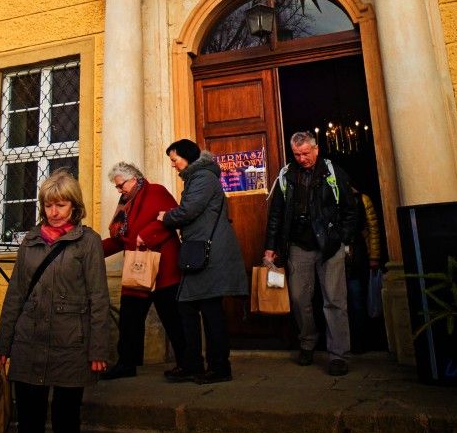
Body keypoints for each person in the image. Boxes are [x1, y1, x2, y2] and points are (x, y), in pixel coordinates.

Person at [0, 170, 109, 433]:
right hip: (29, 341)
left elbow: (98, 297)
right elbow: (15, 294)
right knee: (28, 429)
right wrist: (3, 343)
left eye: (61, 204)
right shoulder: (30, 241)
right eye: (49, 205)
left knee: (66, 415)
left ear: (75, 206)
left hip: (71, 342)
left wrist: (98, 347)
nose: (54, 212)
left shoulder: (87, 242)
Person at [263, 131, 358, 377]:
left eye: (306, 153)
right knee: (298, 298)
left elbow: (351, 210)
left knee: (334, 300)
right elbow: (275, 215)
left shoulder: (333, 172)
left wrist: (342, 238)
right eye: (297, 154)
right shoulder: (286, 175)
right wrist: (270, 247)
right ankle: (307, 342)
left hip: (330, 247)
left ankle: (338, 355)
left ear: (316, 149)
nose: (302, 158)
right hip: (298, 246)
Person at [158, 139, 248, 384]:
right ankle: (193, 364)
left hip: (210, 255)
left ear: (187, 157)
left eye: (175, 159)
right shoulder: (196, 178)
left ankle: (219, 368)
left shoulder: (203, 178)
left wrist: (166, 217)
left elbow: (188, 211)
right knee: (187, 307)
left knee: (210, 310)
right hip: (199, 253)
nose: (173, 165)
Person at [100, 162, 186, 379]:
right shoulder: (125, 204)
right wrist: (93, 250)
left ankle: (187, 363)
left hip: (163, 269)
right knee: (129, 318)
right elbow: (119, 239)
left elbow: (173, 217)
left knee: (173, 318)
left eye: (120, 185)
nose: (119, 190)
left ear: (134, 179)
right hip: (137, 269)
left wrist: (146, 235)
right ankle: (126, 364)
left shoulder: (156, 191)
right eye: (116, 187)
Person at [346, 182, 382, 353]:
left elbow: (372, 228)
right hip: (336, 257)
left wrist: (374, 256)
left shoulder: (362, 199)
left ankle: (359, 342)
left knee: (357, 299)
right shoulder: (328, 198)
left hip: (357, 255)